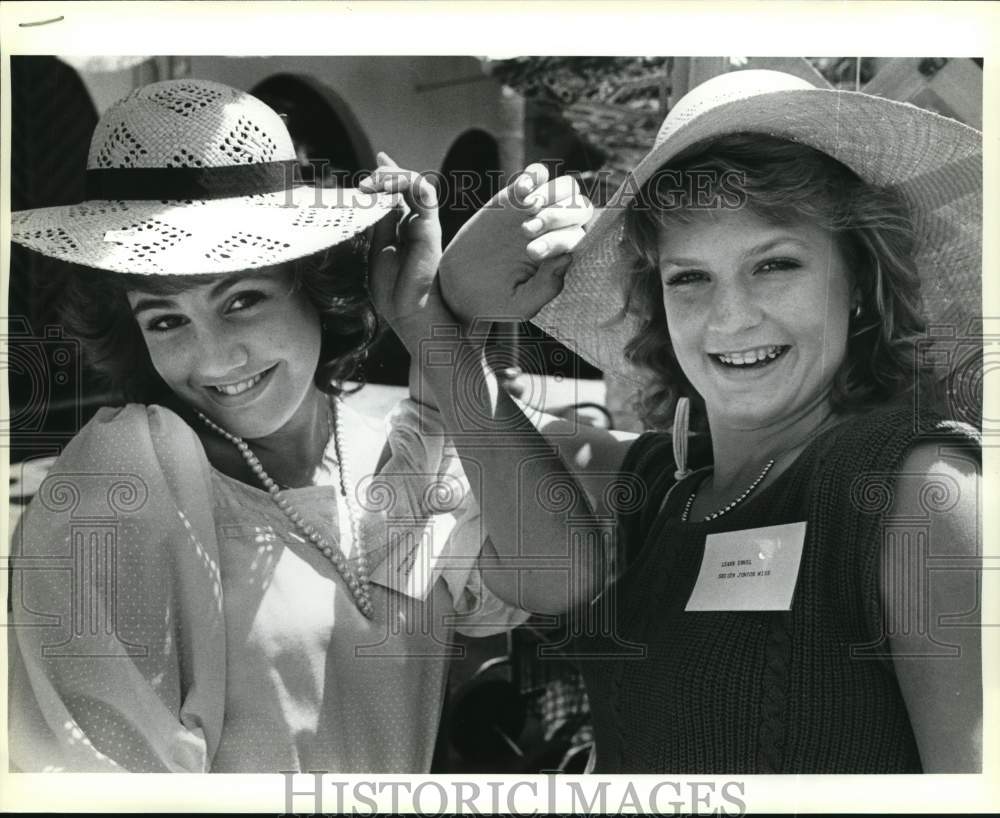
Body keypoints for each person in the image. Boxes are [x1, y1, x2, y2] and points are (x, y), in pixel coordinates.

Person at [373, 69, 983, 773]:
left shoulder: (922, 489)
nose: (730, 317)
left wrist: (443, 325)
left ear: (858, 280)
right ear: (654, 299)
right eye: (689, 277)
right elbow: (451, 424)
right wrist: (445, 307)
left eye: (775, 264)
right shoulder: (655, 485)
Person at [6, 78, 591, 773]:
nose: (215, 357)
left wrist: (434, 325)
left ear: (314, 279)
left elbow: (559, 575)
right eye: (165, 319)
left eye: (243, 298)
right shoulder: (127, 478)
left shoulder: (386, 457)